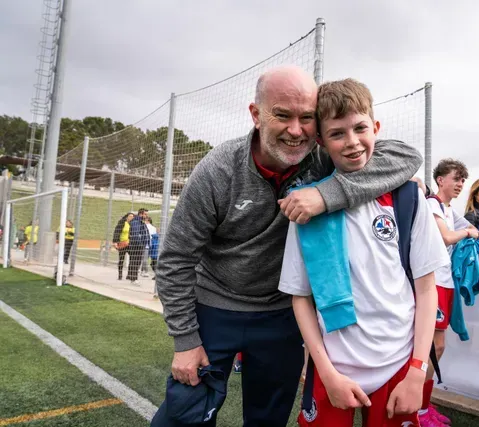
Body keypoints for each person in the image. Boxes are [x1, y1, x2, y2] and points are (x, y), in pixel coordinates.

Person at [151, 65, 423, 427]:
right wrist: (185, 339)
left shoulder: (323, 154)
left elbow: (405, 157)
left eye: (307, 118)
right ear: (256, 115)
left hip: (283, 314)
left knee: (269, 418)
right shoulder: (218, 170)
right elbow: (175, 259)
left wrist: (324, 194)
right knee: (183, 414)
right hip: (216, 306)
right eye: (282, 115)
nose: (296, 130)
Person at [278, 78, 447, 427]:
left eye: (360, 129)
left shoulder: (407, 198)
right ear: (321, 141)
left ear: (376, 128)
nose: (353, 142)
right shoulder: (306, 206)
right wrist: (325, 371)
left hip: (399, 363)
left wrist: (418, 369)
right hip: (333, 368)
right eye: (338, 134)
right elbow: (300, 298)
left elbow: (426, 288)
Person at [423, 158, 479, 426]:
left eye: (462, 180)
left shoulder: (447, 207)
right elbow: (447, 236)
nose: (459, 185)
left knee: (437, 347)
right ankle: (417, 408)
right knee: (430, 347)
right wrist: (468, 233)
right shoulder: (432, 203)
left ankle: (422, 405)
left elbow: (474, 228)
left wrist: (470, 231)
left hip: (444, 283)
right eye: (456, 178)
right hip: (431, 282)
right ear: (440, 180)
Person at [128, 208, 150, 285]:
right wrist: (140, 244)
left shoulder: (141, 222)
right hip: (136, 246)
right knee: (136, 262)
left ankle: (131, 277)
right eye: (145, 214)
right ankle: (134, 279)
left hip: (139, 245)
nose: (147, 216)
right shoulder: (136, 222)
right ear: (141, 214)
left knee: (135, 262)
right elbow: (135, 234)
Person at [113, 212, 134, 281]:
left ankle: (129, 274)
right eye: (130, 216)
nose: (131, 217)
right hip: (122, 243)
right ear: (127, 216)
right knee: (121, 259)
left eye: (132, 216)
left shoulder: (132, 224)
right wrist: (115, 242)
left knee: (133, 258)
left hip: (129, 244)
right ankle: (120, 275)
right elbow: (116, 232)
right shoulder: (122, 223)